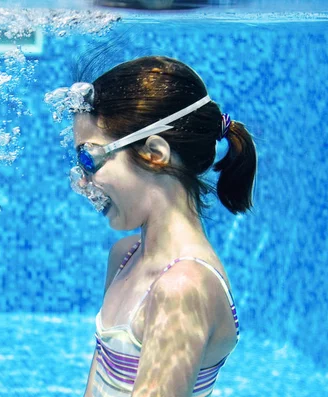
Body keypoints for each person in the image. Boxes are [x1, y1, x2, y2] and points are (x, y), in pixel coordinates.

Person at [55, 56, 256, 396]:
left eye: (89, 158)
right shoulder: (125, 255)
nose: (82, 181)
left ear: (155, 153)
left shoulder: (182, 288)